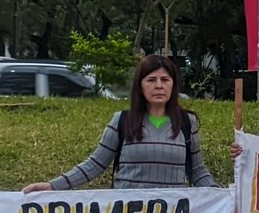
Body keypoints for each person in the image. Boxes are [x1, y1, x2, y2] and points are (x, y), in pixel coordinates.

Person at [24, 53, 216, 193]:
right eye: (151, 80)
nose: (159, 85)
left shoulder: (187, 123)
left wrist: (223, 198)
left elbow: (198, 172)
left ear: (173, 85)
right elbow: (95, 164)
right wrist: (53, 186)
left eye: (165, 79)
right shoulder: (122, 120)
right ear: (140, 87)